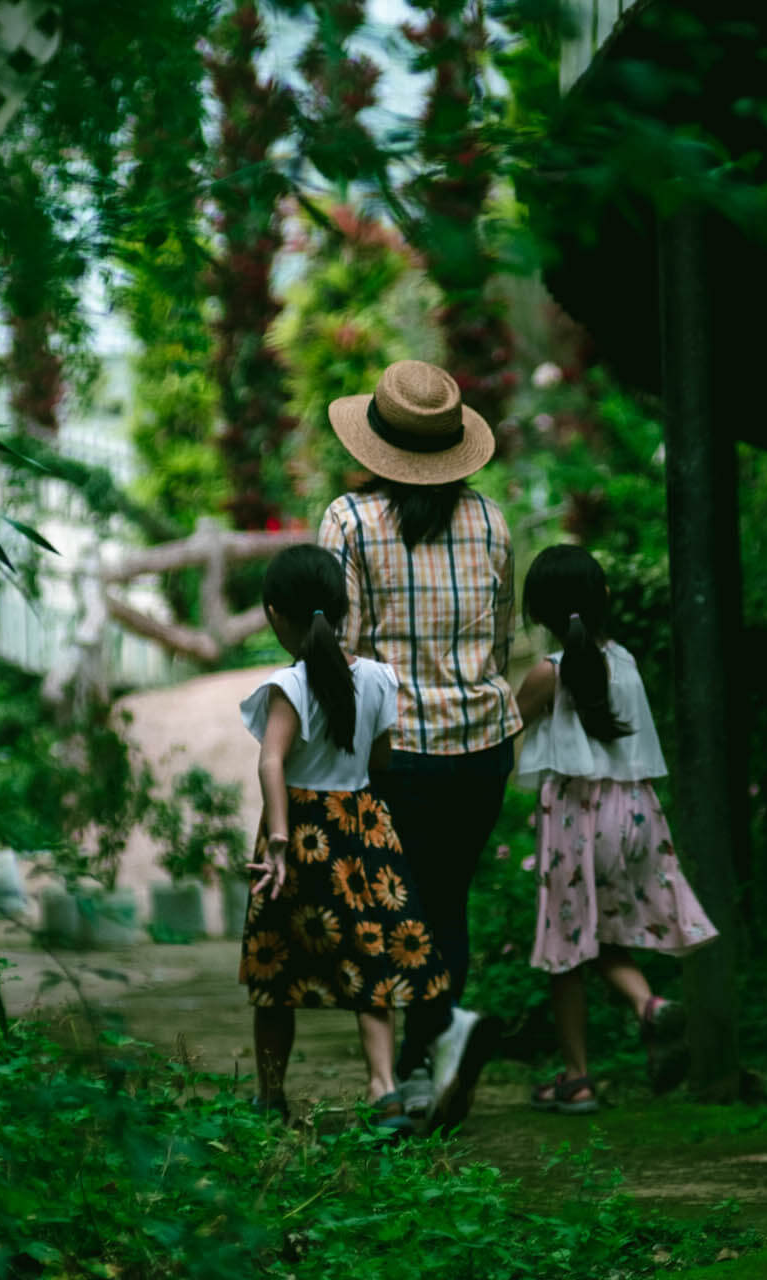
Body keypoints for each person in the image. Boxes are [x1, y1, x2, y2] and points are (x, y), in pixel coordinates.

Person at [319, 359, 520, 1133]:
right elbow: (501, 642)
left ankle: (412, 1062)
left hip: (393, 751)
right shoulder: (493, 522)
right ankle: (437, 1046)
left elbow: (341, 647)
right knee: (446, 902)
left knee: (383, 907)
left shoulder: (351, 520)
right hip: (481, 745)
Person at [237, 544, 448, 1135]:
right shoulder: (380, 679)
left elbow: (271, 762)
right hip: (360, 828)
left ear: (276, 614)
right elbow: (380, 758)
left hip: (300, 832)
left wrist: (279, 838)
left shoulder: (288, 684)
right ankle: (383, 1088)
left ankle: (270, 1097)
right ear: (341, 606)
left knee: (277, 971)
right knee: (369, 963)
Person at [512, 545, 719, 1113]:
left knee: (565, 944)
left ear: (538, 610)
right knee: (597, 933)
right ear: (603, 598)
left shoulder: (547, 675)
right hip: (636, 814)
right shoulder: (624, 662)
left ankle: (578, 1077)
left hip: (579, 814)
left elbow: (497, 725)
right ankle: (648, 1007)